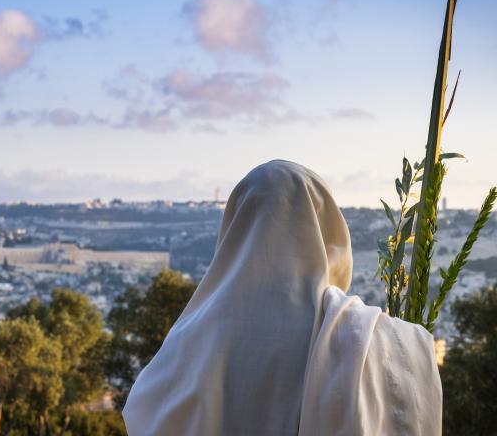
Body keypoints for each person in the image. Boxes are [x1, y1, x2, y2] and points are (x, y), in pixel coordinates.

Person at [123, 160, 442, 436]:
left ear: (236, 226)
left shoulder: (189, 339)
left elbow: (145, 413)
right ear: (329, 230)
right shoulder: (369, 338)